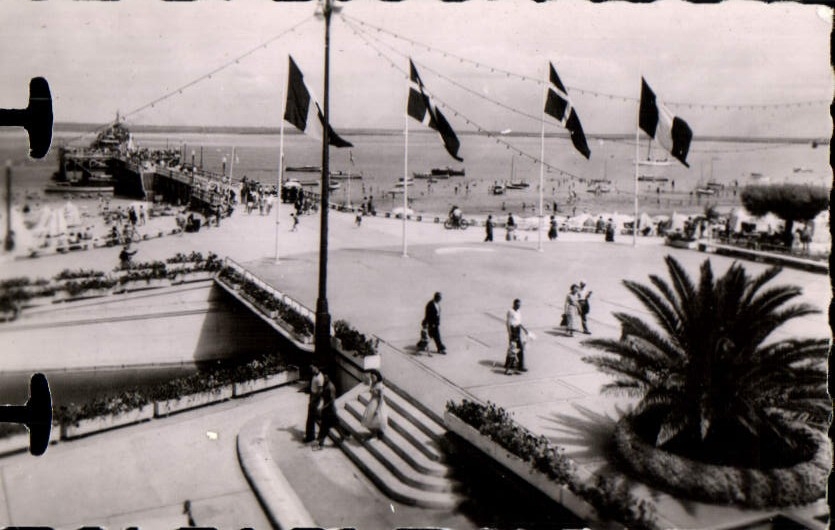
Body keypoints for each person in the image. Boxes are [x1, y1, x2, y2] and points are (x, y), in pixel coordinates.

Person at [313, 372, 337, 450]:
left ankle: (321, 444)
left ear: (329, 378)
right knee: (333, 425)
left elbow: (331, 401)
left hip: (330, 410)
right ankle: (343, 437)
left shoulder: (331, 387)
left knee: (325, 428)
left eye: (326, 377)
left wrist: (322, 408)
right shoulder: (325, 385)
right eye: (324, 377)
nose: (325, 379)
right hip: (327, 410)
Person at [360, 370, 387, 440]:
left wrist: (378, 409)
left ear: (377, 377)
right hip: (372, 402)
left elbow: (381, 399)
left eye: (373, 377)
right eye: (371, 377)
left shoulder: (380, 386)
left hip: (378, 404)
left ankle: (376, 434)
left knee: (375, 419)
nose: (372, 379)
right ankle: (373, 433)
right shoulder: (373, 384)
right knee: (369, 419)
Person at [304, 363, 325, 443]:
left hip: (315, 399)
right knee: (315, 416)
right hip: (312, 396)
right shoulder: (314, 375)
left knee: (310, 418)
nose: (311, 369)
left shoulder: (320, 378)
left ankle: (310, 436)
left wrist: (313, 400)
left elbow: (320, 391)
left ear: (316, 367)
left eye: (312, 367)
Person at [506, 299, 528, 373]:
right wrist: (510, 334)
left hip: (518, 330)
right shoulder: (510, 311)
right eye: (517, 305)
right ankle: (519, 366)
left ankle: (510, 364)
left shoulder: (518, 312)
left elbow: (519, 322)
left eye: (520, 305)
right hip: (513, 330)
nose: (519, 306)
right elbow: (508, 323)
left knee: (516, 348)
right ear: (514, 304)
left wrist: (524, 329)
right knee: (514, 348)